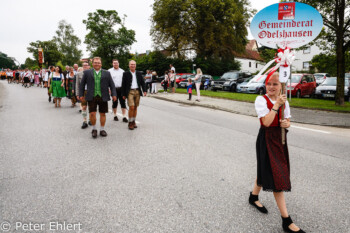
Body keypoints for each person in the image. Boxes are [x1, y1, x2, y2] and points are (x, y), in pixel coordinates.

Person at [249, 72, 304, 233]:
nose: (271, 87)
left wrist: (287, 124)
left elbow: (288, 122)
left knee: (265, 171)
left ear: (281, 86)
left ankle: (253, 197)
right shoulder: (261, 100)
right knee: (276, 176)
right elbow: (265, 122)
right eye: (269, 84)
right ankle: (286, 221)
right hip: (266, 139)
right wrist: (276, 105)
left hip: (280, 140)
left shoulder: (284, 102)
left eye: (275, 84)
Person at [79, 57, 117, 138]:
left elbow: (112, 85)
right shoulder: (87, 72)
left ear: (101, 64)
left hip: (103, 96)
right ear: (92, 64)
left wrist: (114, 94)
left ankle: (102, 129)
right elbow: (82, 84)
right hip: (91, 95)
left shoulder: (107, 73)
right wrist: (81, 94)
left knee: (102, 113)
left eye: (98, 63)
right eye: (95, 62)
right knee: (92, 113)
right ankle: (94, 129)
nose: (97, 64)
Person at [121, 60, 147, 130]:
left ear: (135, 65)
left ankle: (133, 121)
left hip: (137, 91)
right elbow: (123, 84)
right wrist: (123, 94)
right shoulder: (125, 73)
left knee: (135, 107)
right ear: (129, 65)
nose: (133, 66)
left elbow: (142, 82)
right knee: (131, 107)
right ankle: (130, 123)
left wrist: (144, 90)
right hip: (130, 92)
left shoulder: (138, 73)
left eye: (134, 64)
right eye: (131, 64)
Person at [76, 62, 91, 129]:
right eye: (83, 65)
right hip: (83, 92)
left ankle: (90, 120)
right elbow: (77, 85)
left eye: (86, 65)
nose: (85, 66)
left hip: (91, 92)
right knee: (84, 107)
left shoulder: (92, 73)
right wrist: (78, 94)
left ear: (89, 66)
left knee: (91, 107)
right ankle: (84, 121)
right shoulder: (79, 74)